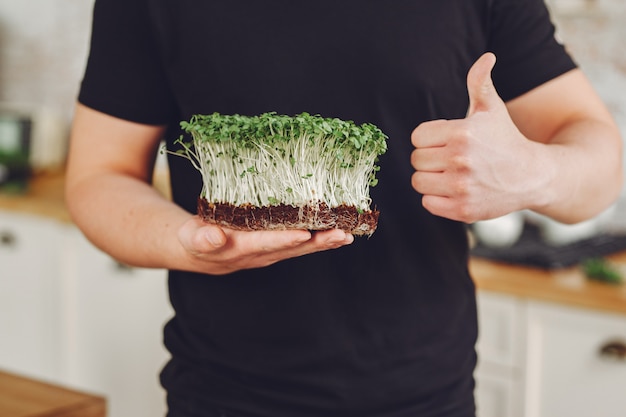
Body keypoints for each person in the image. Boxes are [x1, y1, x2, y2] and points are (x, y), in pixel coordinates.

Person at [65, 1, 623, 416]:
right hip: (221, 391)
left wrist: (534, 172)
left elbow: (602, 165)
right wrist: (184, 240)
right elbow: (97, 177)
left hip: (429, 394)